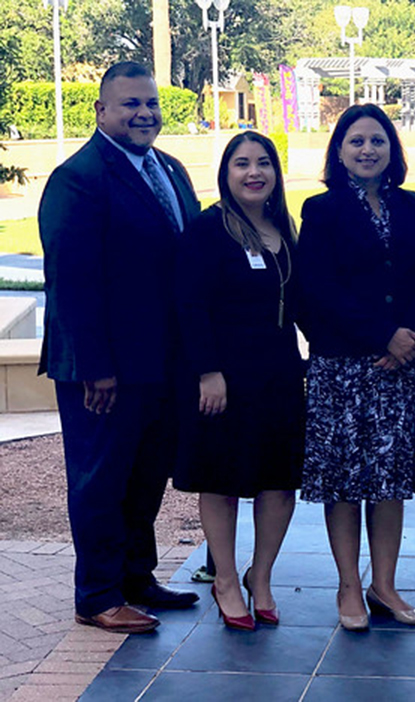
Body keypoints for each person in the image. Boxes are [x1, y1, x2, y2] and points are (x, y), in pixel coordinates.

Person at [38, 61, 201, 634]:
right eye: (130, 104)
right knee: (100, 480)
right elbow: (71, 281)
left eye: (151, 103)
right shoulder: (79, 177)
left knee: (144, 475)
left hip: (159, 365)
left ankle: (136, 576)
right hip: (102, 371)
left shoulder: (171, 170)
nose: (144, 114)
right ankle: (97, 595)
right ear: (102, 111)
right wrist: (96, 368)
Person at [296, 104, 415, 631]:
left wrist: (411, 332)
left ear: (392, 150)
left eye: (377, 141)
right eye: (356, 141)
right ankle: (348, 587)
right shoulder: (321, 210)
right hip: (344, 369)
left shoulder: (413, 205)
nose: (367, 149)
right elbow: (316, 290)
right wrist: (381, 334)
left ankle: (385, 585)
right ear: (339, 151)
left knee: (389, 481)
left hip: (400, 369)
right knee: (343, 482)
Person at [174, 132, 304, 631]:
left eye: (263, 163)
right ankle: (225, 578)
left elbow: (302, 304)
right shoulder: (208, 230)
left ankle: (261, 576)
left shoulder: (282, 228)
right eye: (242, 164)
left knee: (278, 481)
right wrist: (208, 372)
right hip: (224, 378)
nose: (254, 173)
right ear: (226, 174)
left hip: (280, 374)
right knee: (222, 480)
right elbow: (190, 305)